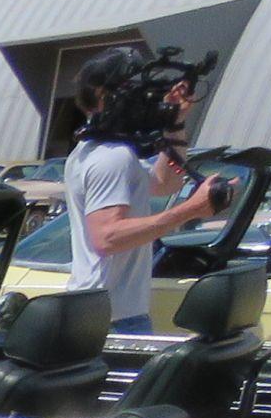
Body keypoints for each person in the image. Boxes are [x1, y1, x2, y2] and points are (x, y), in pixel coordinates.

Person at [65, 48, 220, 334]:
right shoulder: (112, 156)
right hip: (111, 320)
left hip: (102, 313)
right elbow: (107, 237)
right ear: (106, 96)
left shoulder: (93, 152)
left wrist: (175, 124)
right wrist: (190, 210)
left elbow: (166, 182)